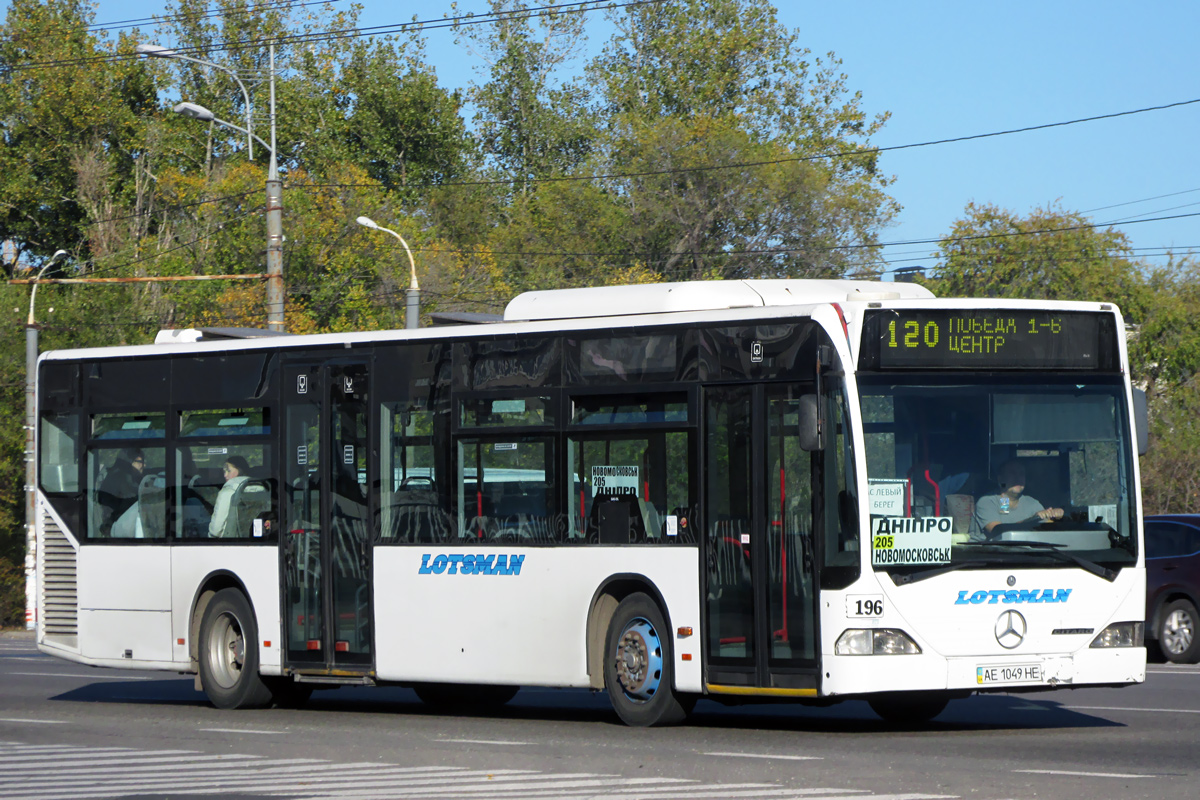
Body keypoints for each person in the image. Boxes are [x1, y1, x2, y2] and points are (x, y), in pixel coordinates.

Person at [973, 460, 1063, 540]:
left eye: (1021, 474)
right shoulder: (986, 502)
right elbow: (998, 531)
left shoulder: (1032, 503)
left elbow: (1048, 529)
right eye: (1012, 473)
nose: (1018, 478)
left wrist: (1057, 516)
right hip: (987, 554)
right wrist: (1032, 520)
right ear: (1000, 479)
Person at [97, 448, 144, 536]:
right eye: (139, 461)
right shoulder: (118, 479)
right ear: (130, 463)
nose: (143, 465)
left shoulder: (138, 481)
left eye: (143, 461)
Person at [209, 455, 251, 538]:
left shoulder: (227, 493)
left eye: (228, 471)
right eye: (224, 472)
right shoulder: (263, 488)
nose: (225, 475)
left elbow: (215, 530)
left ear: (240, 470)